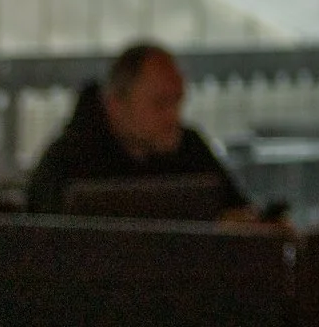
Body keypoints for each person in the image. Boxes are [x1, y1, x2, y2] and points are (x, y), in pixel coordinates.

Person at [26, 42, 255, 221]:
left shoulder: (189, 148)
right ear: (116, 105)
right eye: (160, 104)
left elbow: (239, 211)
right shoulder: (67, 163)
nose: (173, 116)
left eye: (177, 101)